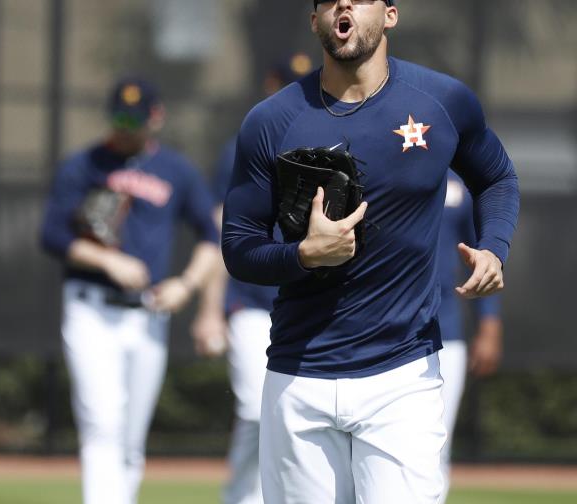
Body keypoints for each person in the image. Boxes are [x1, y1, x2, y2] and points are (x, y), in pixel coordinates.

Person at [220, 1, 520, 503]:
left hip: (403, 377)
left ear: (390, 15)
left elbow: (497, 178)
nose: (343, 4)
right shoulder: (270, 121)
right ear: (314, 20)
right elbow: (238, 247)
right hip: (299, 377)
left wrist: (494, 247)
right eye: (328, 0)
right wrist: (304, 255)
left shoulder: (442, 101)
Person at [40, 77, 220, 504]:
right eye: (119, 119)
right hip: (91, 309)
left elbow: (212, 235)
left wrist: (187, 285)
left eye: (133, 121)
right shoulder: (84, 165)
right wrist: (107, 260)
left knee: (130, 440)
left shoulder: (175, 170)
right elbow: (51, 235)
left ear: (156, 118)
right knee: (102, 425)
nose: (124, 128)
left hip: (148, 314)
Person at [192, 54, 313, 504]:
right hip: (251, 302)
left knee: (297, 409)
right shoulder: (244, 144)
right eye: (287, 84)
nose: (295, 94)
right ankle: (242, 497)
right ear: (270, 84)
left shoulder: (331, 139)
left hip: (308, 302)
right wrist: (210, 310)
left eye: (302, 85)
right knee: (255, 405)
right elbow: (222, 229)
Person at [437, 170, 503, 502]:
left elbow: (480, 256)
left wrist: (489, 326)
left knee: (436, 445)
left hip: (445, 334)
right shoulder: (378, 160)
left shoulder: (460, 177)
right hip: (376, 331)